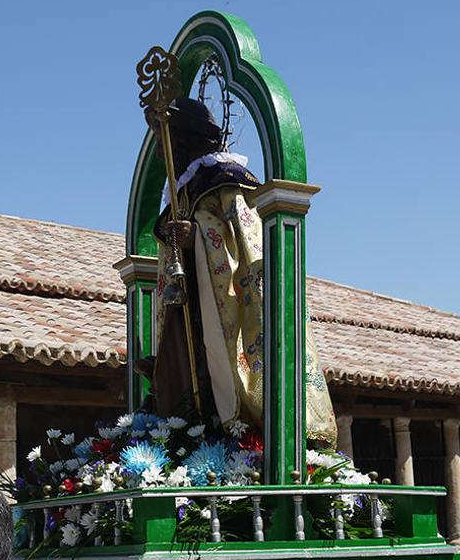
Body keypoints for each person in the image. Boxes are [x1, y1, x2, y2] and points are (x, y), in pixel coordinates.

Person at [144, 96, 337, 445]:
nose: (161, 153)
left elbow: (247, 243)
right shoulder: (184, 189)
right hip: (195, 304)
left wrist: (198, 238)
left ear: (185, 139)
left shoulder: (226, 180)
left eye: (164, 140)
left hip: (230, 303)